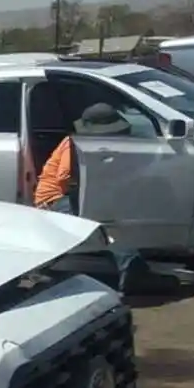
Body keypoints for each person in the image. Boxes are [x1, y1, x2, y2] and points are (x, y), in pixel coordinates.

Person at [32, 103, 147, 291]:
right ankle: (132, 268)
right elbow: (63, 180)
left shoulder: (97, 144)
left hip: (73, 195)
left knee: (111, 217)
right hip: (54, 199)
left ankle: (132, 266)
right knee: (107, 222)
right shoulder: (73, 144)